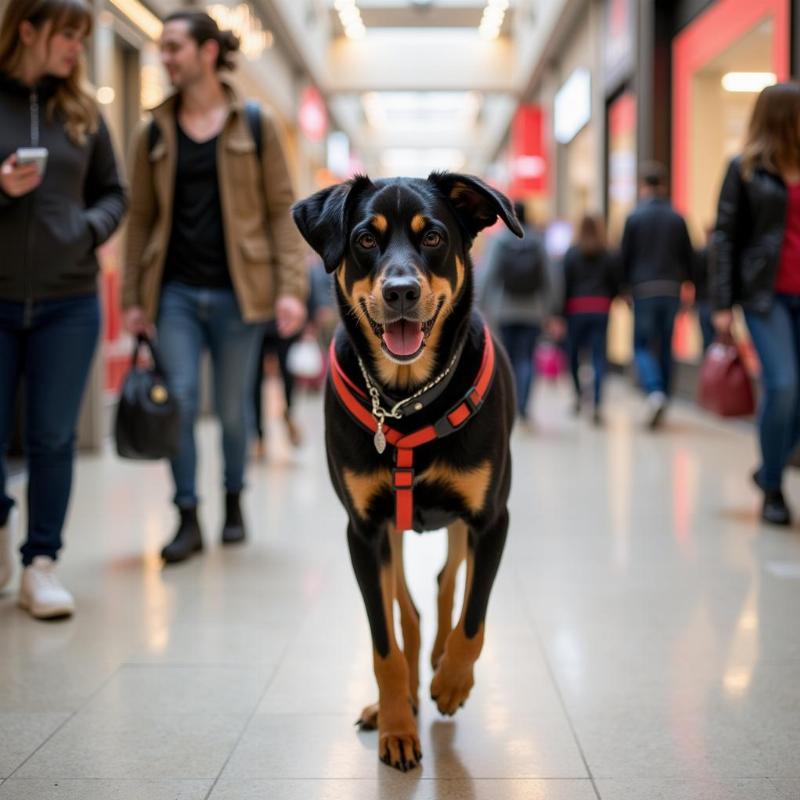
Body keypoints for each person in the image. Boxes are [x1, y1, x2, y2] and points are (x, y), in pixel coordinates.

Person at [123, 11, 306, 564]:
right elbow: (140, 220)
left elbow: (281, 211)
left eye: (174, 46)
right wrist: (133, 298)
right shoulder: (152, 130)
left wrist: (291, 287)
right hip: (174, 289)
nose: (165, 57)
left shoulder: (255, 123)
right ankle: (186, 515)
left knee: (232, 411)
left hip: (240, 291)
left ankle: (231, 502)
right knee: (178, 401)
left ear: (207, 53)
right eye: (162, 48)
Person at [0, 0, 127, 618]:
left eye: (82, 34)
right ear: (27, 29)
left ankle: (40, 564)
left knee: (52, 437)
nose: (77, 46)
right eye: (67, 33)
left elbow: (115, 192)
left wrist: (86, 228)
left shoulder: (82, 112)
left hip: (68, 300)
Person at [711, 81, 800, 526]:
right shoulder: (745, 170)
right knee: (783, 385)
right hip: (767, 296)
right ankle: (772, 485)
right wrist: (722, 303)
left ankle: (769, 467)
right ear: (784, 117)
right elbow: (724, 236)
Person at [621, 162, 694, 429]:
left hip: (644, 290)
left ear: (643, 186)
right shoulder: (677, 217)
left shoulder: (634, 217)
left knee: (641, 344)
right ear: (662, 185)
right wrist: (690, 286)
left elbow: (624, 257)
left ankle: (654, 391)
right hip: (671, 289)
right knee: (665, 345)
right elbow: (689, 255)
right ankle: (664, 395)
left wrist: (624, 288)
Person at [478, 201, 551, 422]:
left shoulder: (499, 240)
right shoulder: (538, 240)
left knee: (507, 358)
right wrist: (551, 308)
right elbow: (550, 276)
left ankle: (508, 401)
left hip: (504, 309)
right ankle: (523, 407)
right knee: (527, 358)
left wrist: (480, 305)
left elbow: (488, 273)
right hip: (533, 310)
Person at [560, 215, 619, 424]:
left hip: (576, 309)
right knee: (598, 357)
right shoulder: (607, 253)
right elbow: (615, 282)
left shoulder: (572, 253)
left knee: (574, 355)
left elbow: (564, 284)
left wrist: (560, 313)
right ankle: (596, 403)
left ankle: (578, 395)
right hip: (600, 309)